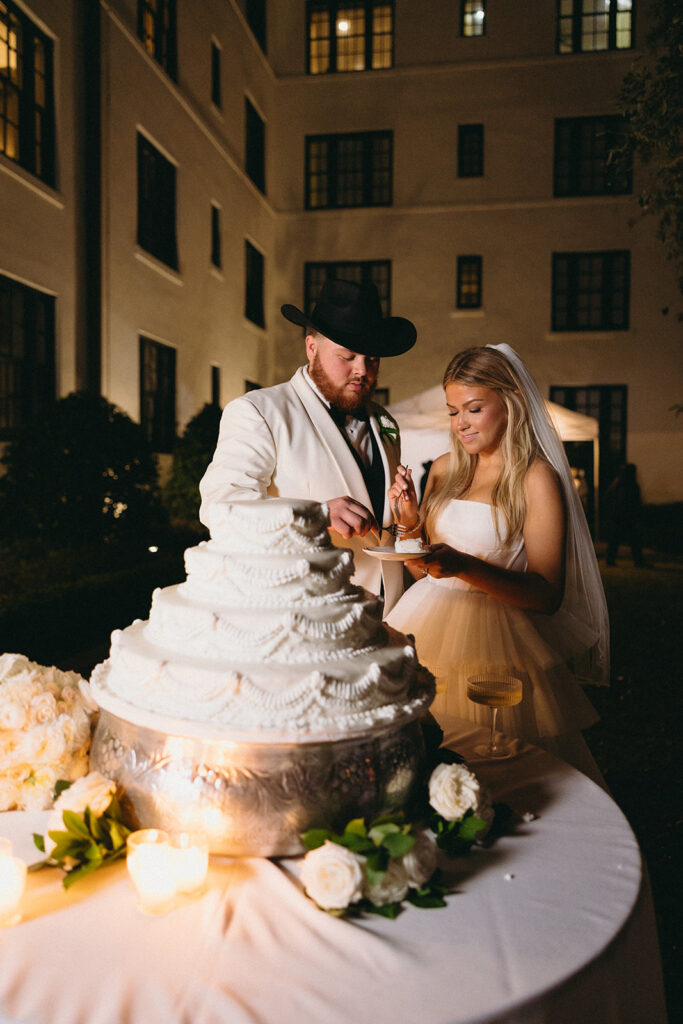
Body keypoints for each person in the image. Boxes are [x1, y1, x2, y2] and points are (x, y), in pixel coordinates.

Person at [384, 344, 610, 785]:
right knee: (417, 759)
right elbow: (422, 569)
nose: (460, 424)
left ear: (510, 403)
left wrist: (465, 567)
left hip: (498, 644)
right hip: (425, 626)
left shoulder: (535, 478)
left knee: (501, 772)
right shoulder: (445, 469)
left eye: (473, 409)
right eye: (452, 412)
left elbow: (547, 595)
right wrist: (409, 522)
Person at [199, 278, 416, 605]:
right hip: (306, 610)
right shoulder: (258, 412)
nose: (362, 370)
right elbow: (220, 508)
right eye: (347, 356)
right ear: (311, 347)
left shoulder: (386, 421)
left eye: (372, 359)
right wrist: (317, 514)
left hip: (390, 609)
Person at [605, 463, 646, 567]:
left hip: (617, 516)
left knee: (615, 540)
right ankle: (638, 561)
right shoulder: (630, 485)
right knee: (633, 540)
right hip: (625, 517)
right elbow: (634, 503)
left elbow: (608, 498)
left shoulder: (617, 483)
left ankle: (610, 560)